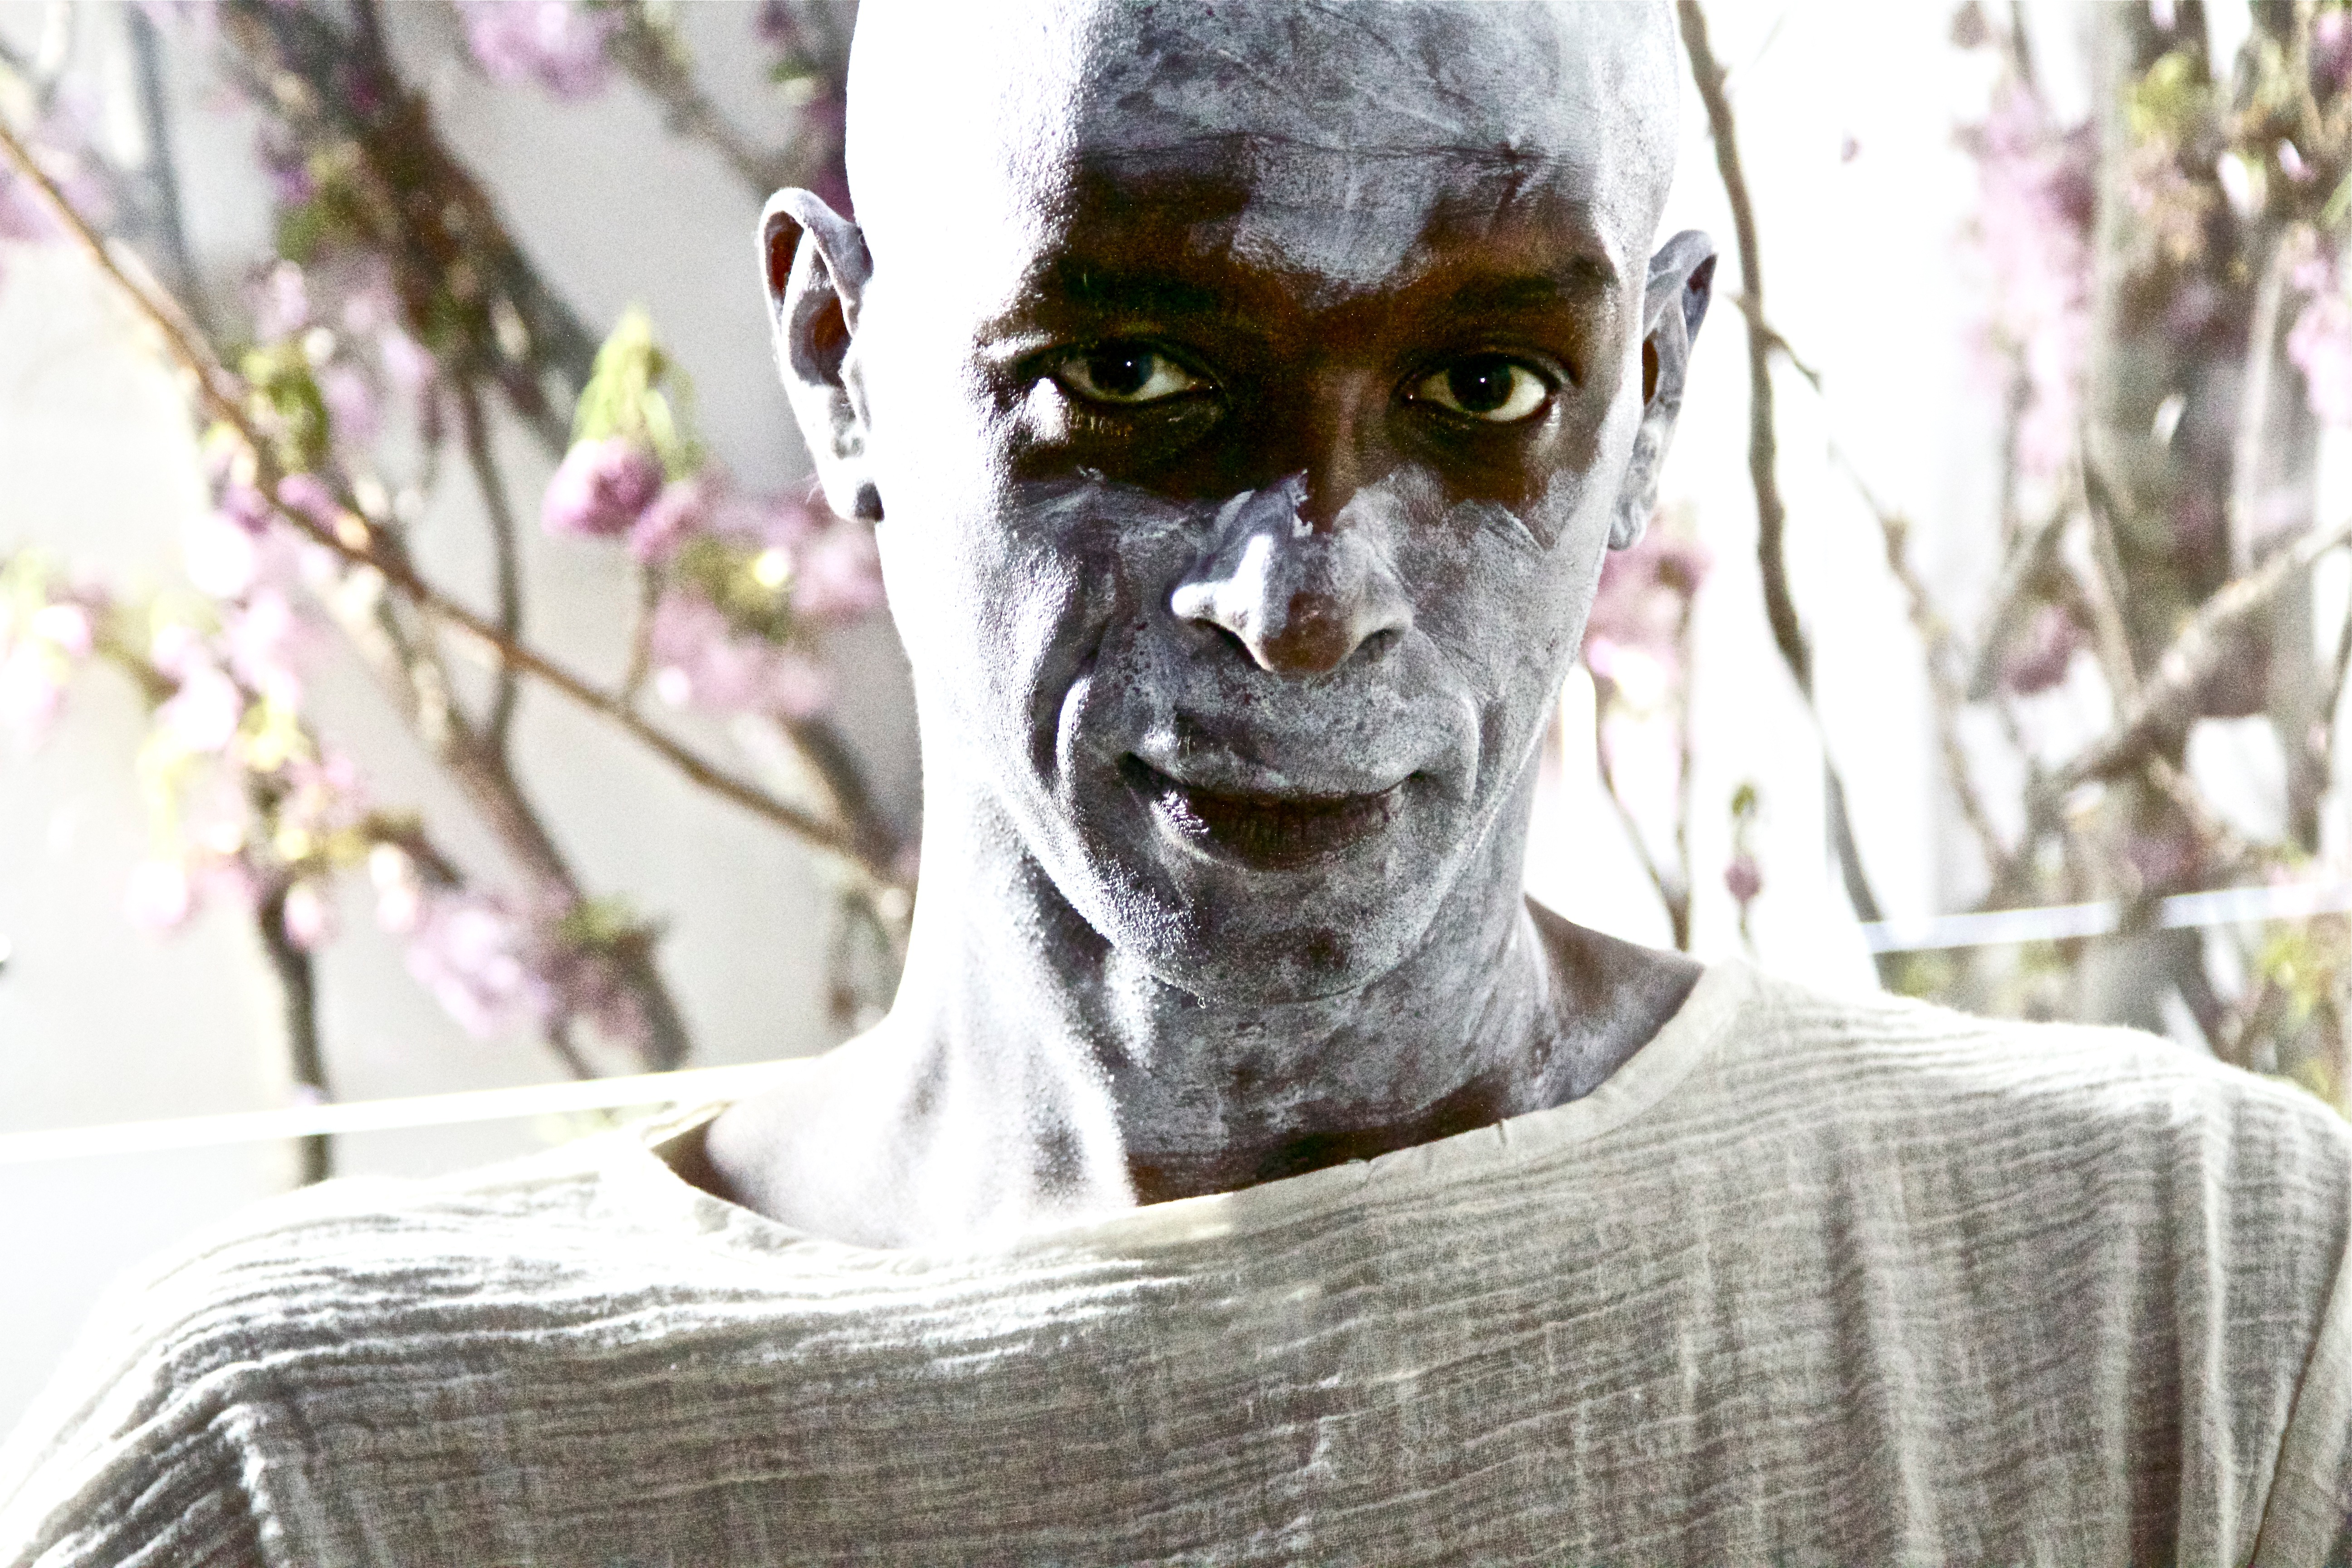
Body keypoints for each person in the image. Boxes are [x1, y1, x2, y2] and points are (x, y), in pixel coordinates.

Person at [5, 1, 2351, 1563]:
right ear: (840, 362)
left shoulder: (2189, 1302)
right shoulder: (324, 1474)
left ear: (1660, 383)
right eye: (1133, 372)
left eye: (1484, 394)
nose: (1311, 593)